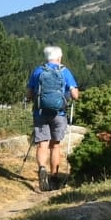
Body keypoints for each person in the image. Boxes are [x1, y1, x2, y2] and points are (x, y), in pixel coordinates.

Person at [23, 46, 81, 191]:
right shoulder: (64, 71)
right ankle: (54, 177)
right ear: (59, 58)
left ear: (47, 57)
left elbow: (29, 94)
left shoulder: (38, 71)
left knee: (42, 144)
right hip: (59, 114)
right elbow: (75, 95)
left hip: (40, 112)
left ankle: (42, 168)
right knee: (55, 145)